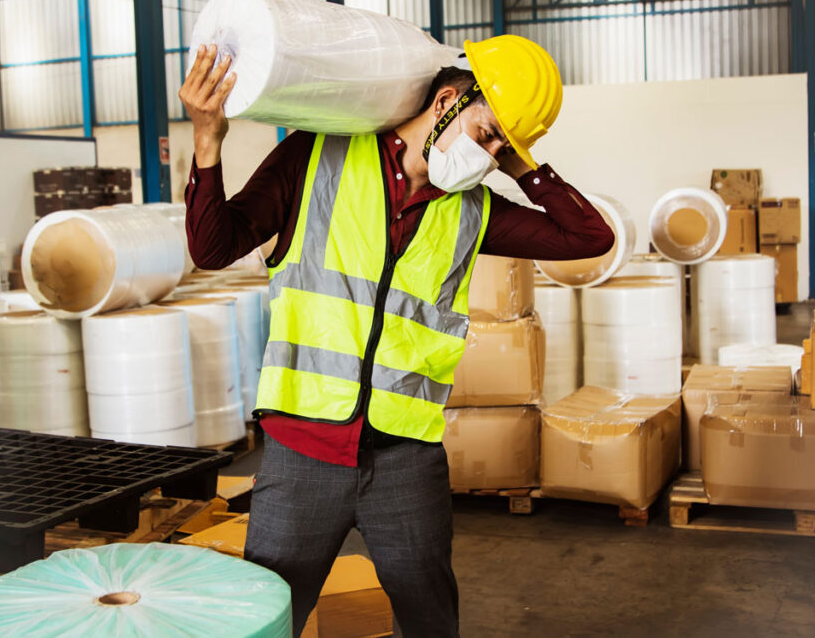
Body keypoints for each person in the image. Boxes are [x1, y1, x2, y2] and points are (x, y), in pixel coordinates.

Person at [180, 35, 614, 637]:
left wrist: (521, 163)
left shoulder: (474, 209)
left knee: (432, 622)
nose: (486, 155)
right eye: (486, 133)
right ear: (446, 102)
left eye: (499, 149)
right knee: (269, 621)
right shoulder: (317, 158)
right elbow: (213, 247)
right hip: (303, 452)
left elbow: (588, 240)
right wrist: (208, 141)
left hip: (405, 460)